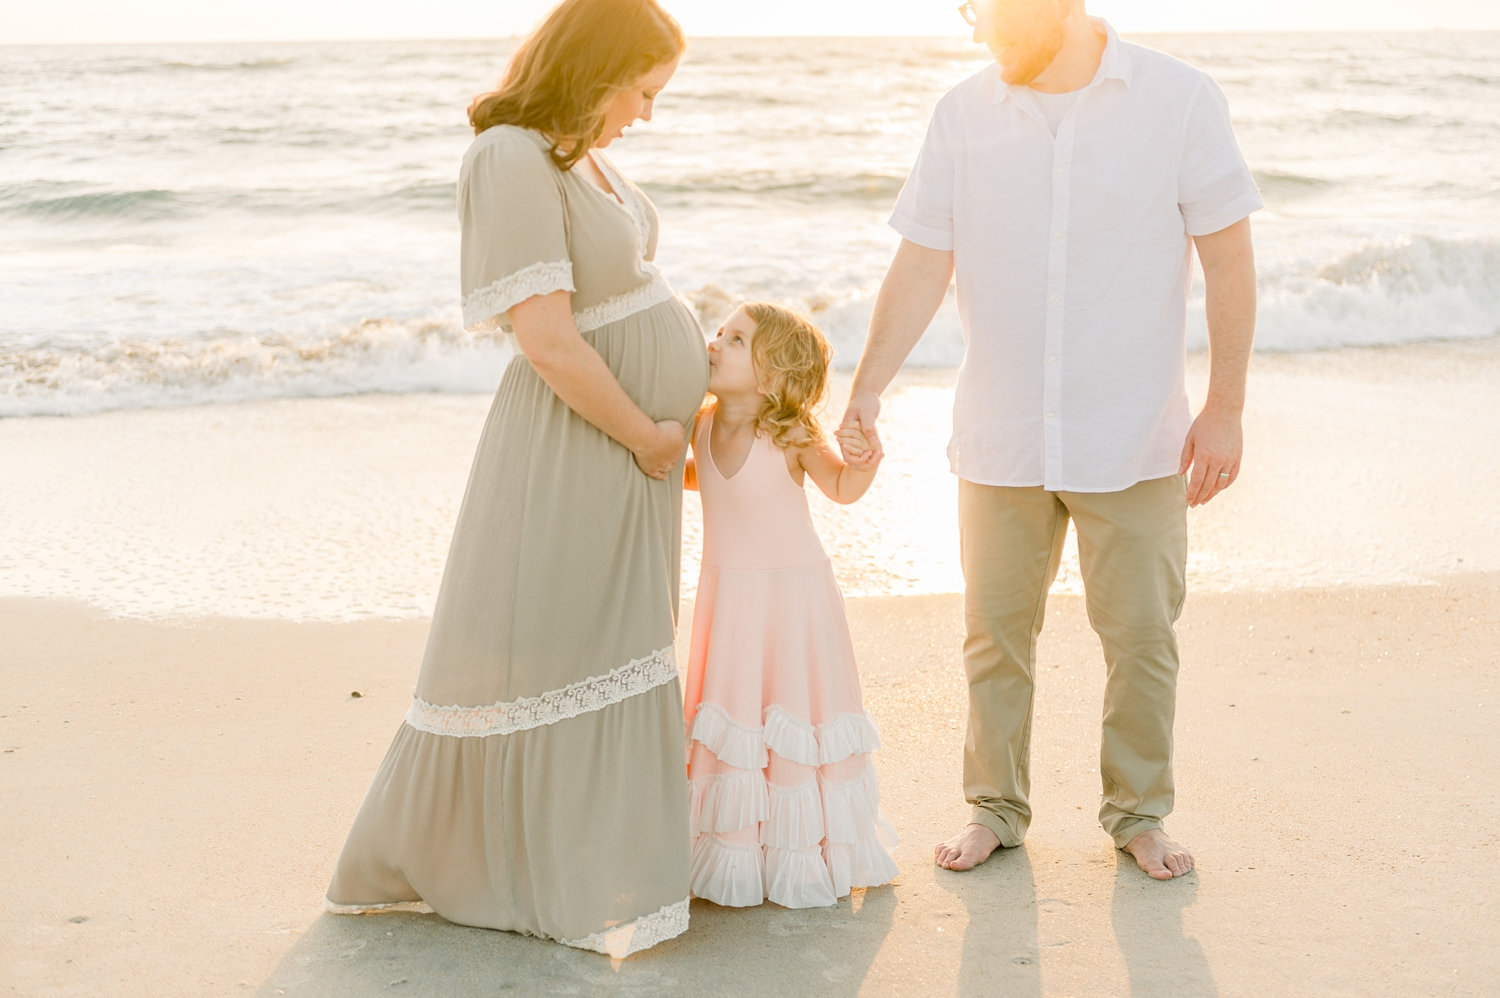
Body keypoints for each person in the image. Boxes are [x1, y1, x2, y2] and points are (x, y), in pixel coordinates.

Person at [841, 0, 1261, 880]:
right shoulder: (962, 112)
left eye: (986, 11)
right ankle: (994, 807)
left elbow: (1228, 256)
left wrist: (1224, 408)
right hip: (1002, 433)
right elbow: (922, 261)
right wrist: (867, 387)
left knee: (1143, 637)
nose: (976, 28)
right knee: (993, 636)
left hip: (1136, 433)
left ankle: (1139, 815)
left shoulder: (1178, 98)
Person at [324, 0, 708, 956]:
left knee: (613, 638)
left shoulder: (574, 154)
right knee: (558, 642)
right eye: (645, 90)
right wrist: (647, 438)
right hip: (584, 443)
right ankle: (522, 871)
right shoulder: (508, 156)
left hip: (627, 449)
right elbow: (545, 339)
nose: (648, 114)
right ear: (597, 66)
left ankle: (594, 859)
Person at [682, 302, 900, 908]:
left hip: (793, 602)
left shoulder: (792, 432)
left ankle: (802, 851)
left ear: (773, 374)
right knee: (736, 715)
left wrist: (864, 460)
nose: (716, 342)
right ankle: (736, 849)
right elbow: (694, 477)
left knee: (791, 716)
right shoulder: (698, 423)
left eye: (736, 339)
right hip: (729, 602)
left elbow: (841, 488)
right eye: (719, 332)